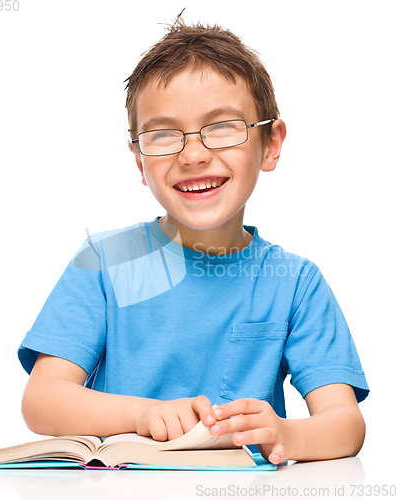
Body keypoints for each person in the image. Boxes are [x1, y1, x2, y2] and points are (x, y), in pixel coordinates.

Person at [19, 16, 369, 465]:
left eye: (222, 126)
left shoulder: (295, 282)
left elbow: (345, 423)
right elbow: (42, 400)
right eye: (163, 135)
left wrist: (287, 435)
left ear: (271, 144)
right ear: (140, 163)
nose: (193, 154)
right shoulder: (108, 261)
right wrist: (143, 413)